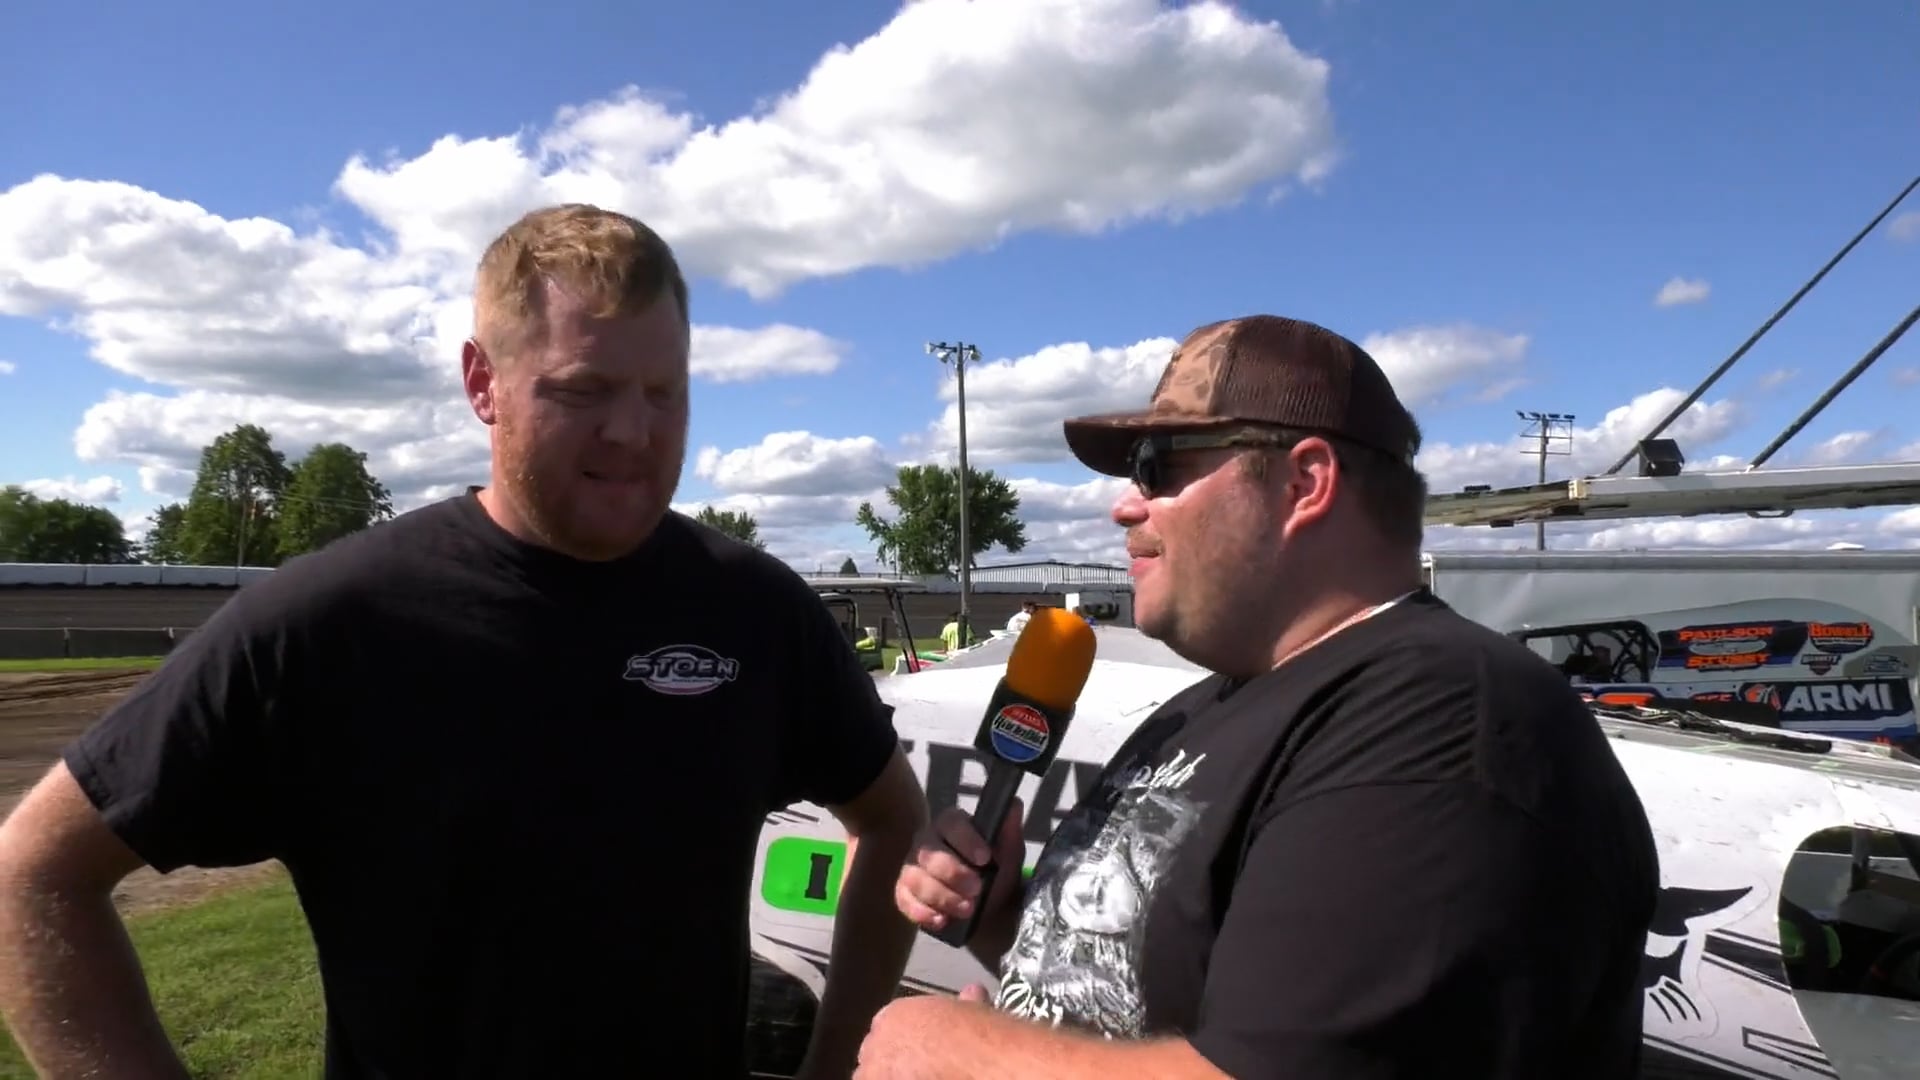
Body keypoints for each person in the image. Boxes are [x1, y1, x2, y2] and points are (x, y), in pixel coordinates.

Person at [0, 204, 928, 1080]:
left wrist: (834, 1064)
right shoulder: (335, 620)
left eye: (664, 392)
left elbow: (892, 821)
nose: (634, 431)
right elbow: (32, 875)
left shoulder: (754, 611)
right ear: (483, 382)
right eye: (584, 390)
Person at [869, 314, 1660, 1078]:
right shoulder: (1207, 708)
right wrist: (1009, 918)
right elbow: (1146, 1012)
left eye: (1157, 463)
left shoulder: (1449, 720)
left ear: (1304, 482)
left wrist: (965, 1057)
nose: (1122, 504)